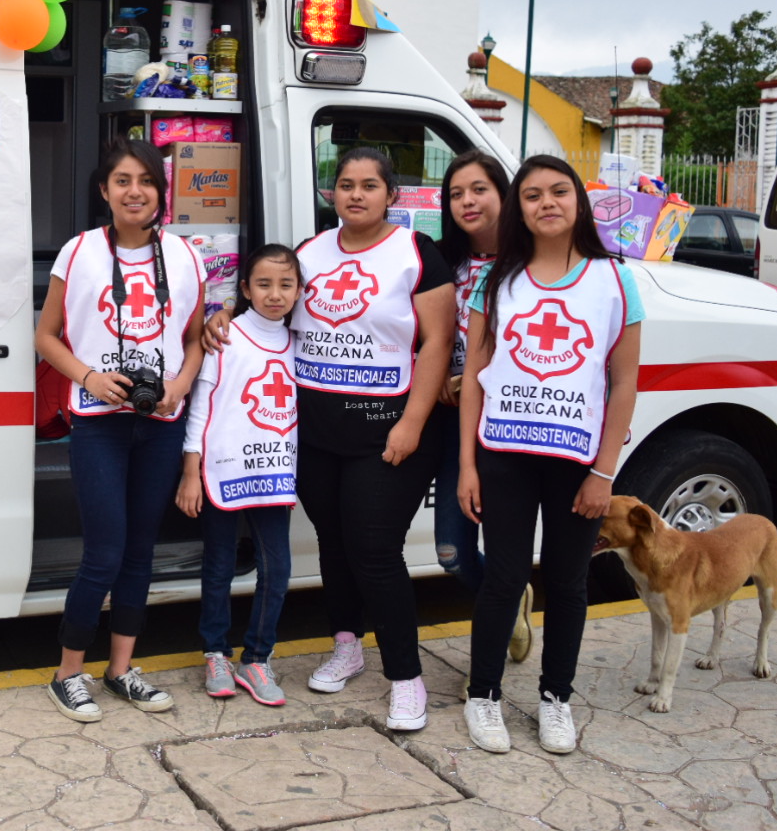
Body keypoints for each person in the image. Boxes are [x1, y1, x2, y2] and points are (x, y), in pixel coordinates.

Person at [206, 146, 455, 732]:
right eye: (345, 184)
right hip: (316, 435)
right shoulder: (312, 253)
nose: (356, 194)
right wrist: (219, 315)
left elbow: (438, 344)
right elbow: (269, 306)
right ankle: (347, 644)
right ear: (331, 194)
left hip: (386, 432)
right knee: (334, 542)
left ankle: (406, 679)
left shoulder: (416, 254)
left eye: (370, 184)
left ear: (392, 194)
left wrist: (412, 422)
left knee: (374, 551)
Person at [458, 155, 643, 756]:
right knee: (505, 578)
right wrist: (467, 464)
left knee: (567, 582)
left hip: (576, 464)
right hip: (504, 455)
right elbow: (476, 378)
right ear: (520, 209)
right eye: (532, 195)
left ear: (579, 203)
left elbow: (623, 383)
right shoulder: (497, 281)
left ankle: (554, 698)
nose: (546, 203)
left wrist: (603, 474)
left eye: (559, 191)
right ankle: (482, 695)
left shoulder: (614, 281)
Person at [34, 139, 206, 723]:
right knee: (104, 552)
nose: (136, 191)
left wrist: (182, 382)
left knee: (139, 552)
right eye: (123, 181)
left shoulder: (186, 254)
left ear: (162, 192)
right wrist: (89, 375)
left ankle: (120, 668)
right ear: (103, 191)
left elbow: (193, 337)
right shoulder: (78, 252)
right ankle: (67, 674)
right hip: (99, 424)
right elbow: (46, 335)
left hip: (160, 423)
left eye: (147, 181)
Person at [176, 244, 302, 707]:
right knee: (219, 565)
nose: (274, 294)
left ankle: (258, 656)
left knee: (278, 569)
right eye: (264, 284)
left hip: (273, 472)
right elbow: (201, 405)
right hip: (221, 469)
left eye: (285, 285)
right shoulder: (225, 338)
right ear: (245, 289)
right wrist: (191, 471)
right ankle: (215, 652)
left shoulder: (297, 341)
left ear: (299, 291)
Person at [432, 153, 534, 661]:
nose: (467, 202)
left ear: (503, 194)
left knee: (507, 542)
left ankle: (493, 642)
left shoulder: (533, 263)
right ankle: (511, 598)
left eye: (479, 190)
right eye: (455, 194)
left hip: (512, 423)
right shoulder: (440, 261)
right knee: (451, 552)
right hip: (452, 420)